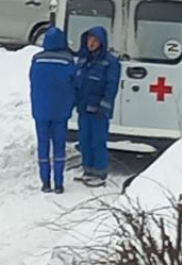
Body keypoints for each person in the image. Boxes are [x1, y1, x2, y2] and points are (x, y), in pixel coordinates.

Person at [29, 27, 76, 194]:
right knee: (59, 147)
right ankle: (59, 183)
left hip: (40, 110)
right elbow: (73, 83)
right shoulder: (68, 60)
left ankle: (45, 182)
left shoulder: (37, 59)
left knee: (43, 146)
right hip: (60, 111)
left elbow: (32, 81)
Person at [75, 26, 120, 187]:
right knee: (84, 140)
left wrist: (105, 106)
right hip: (83, 109)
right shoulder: (83, 60)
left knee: (97, 141)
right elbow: (77, 83)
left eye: (95, 40)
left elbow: (111, 86)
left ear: (101, 42)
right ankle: (88, 170)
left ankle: (100, 173)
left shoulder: (110, 62)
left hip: (99, 111)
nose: (91, 43)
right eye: (89, 40)